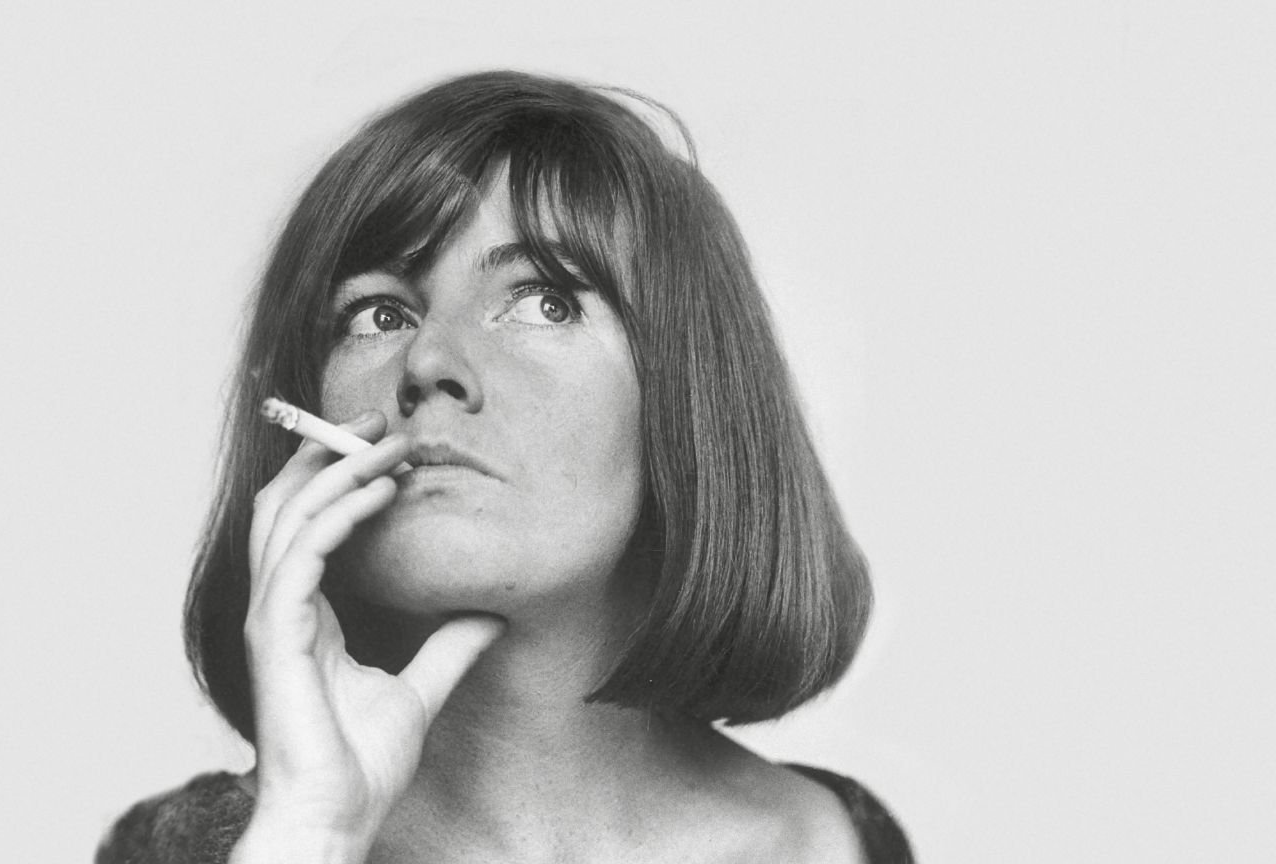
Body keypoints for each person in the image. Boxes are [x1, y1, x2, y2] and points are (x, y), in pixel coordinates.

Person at [97, 70, 909, 863]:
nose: (430, 359)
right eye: (379, 314)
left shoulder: (839, 845)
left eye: (544, 301)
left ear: (690, 404)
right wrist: (310, 834)